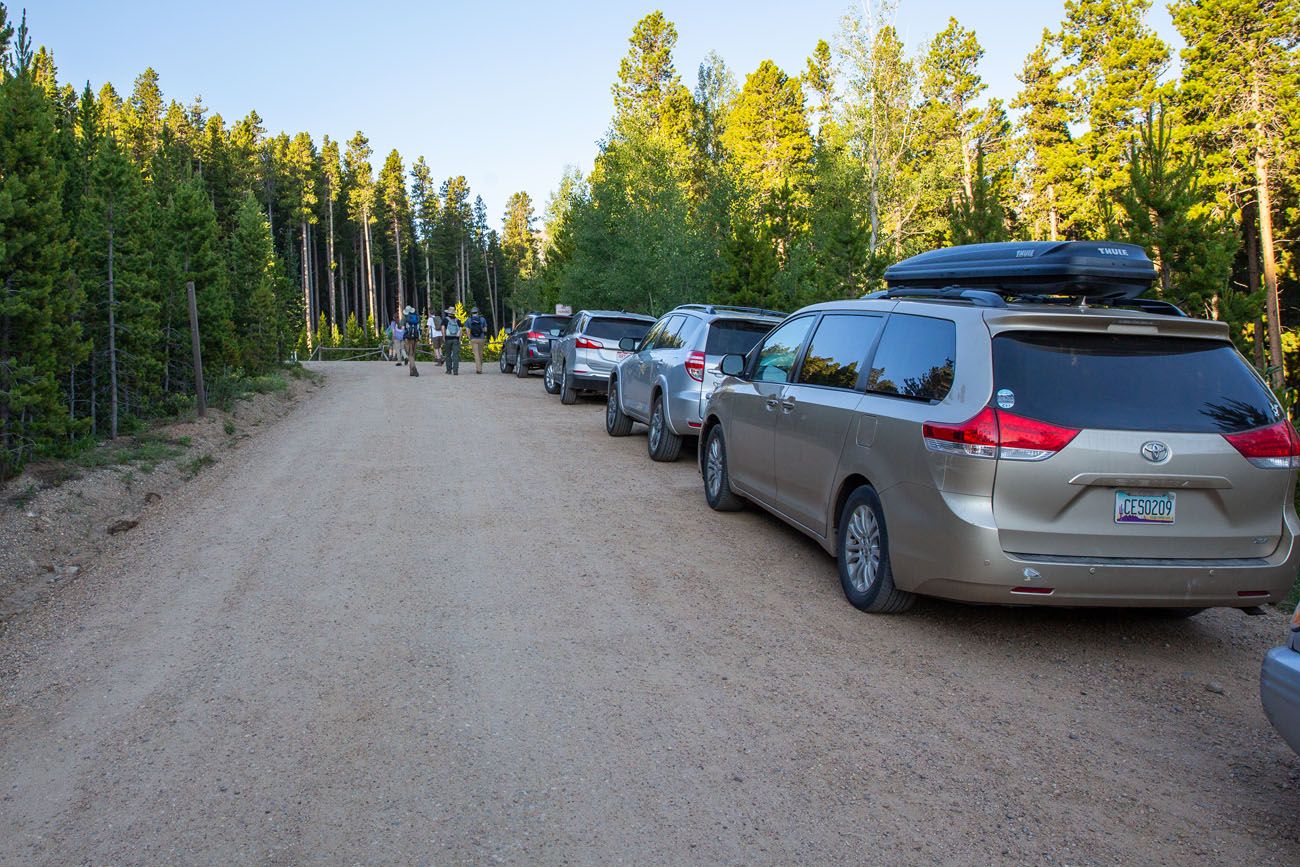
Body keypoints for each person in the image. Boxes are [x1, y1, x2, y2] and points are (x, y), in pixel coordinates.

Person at [467, 307, 489, 374]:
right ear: (477, 312)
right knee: (480, 354)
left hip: (473, 339)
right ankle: (480, 368)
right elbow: (485, 330)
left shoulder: (469, 320)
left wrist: (469, 338)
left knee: (476, 354)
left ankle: (478, 369)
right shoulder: (482, 319)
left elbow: (468, 331)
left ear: (471, 313)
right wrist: (480, 330)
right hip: (481, 338)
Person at [442, 307, 462, 375]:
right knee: (456, 355)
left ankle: (448, 370)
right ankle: (455, 371)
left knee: (448, 355)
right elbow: (460, 330)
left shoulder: (445, 320)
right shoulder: (458, 320)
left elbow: (443, 328)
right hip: (456, 339)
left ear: (448, 313)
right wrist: (459, 338)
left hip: (448, 339)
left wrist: (444, 337)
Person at [403, 305, 421, 376]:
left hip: (408, 338)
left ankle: (414, 368)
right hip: (415, 337)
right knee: (413, 354)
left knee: (410, 354)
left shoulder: (405, 319)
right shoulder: (416, 318)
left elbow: (402, 328)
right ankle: (411, 372)